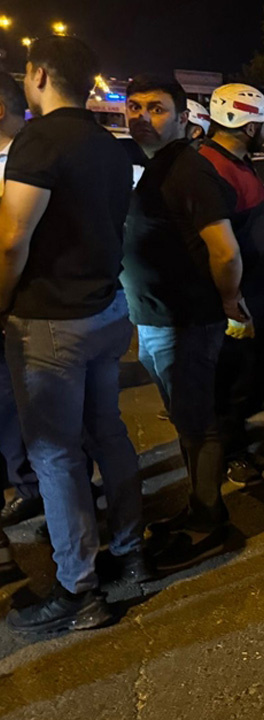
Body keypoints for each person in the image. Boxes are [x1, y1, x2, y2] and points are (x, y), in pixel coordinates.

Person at [0, 36, 146, 633]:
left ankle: (78, 588)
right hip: (106, 310)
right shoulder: (111, 147)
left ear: (37, 74)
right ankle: (133, 550)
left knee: (56, 455)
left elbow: (13, 239)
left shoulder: (39, 139)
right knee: (106, 433)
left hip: (50, 321)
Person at [120, 75, 250, 571]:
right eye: (134, 107)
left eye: (155, 109)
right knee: (186, 421)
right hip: (157, 319)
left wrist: (229, 301)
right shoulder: (159, 167)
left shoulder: (187, 170)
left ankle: (209, 520)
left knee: (199, 424)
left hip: (185, 322)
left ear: (182, 118)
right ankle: (197, 506)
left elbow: (226, 252)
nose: (141, 117)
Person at [200, 85, 264, 492]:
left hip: (257, 289)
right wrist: (231, 298)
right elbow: (221, 249)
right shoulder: (210, 168)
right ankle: (228, 447)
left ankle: (227, 431)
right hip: (239, 296)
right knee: (237, 375)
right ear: (248, 123)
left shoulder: (237, 162)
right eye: (263, 124)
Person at [0, 73, 41, 565]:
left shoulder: (27, 163)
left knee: (14, 399)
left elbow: (14, 243)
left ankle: (27, 482)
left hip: (19, 303)